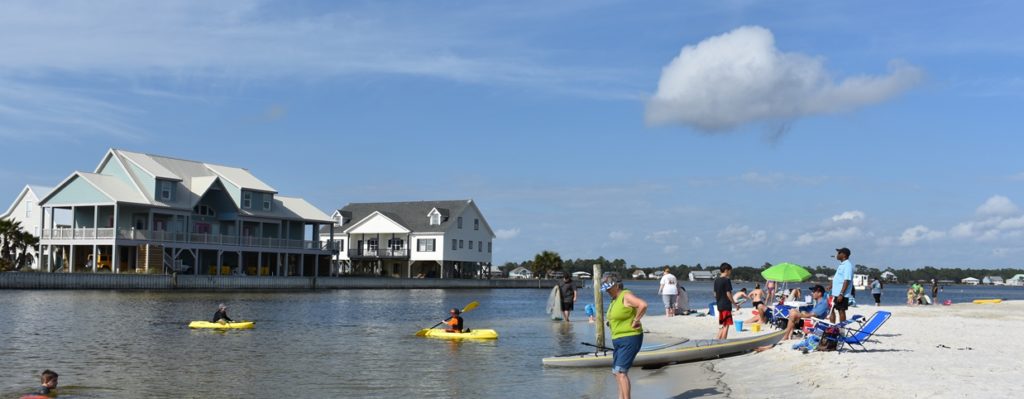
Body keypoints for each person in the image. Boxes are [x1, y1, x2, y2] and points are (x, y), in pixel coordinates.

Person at [602, 272, 647, 399]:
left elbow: (642, 305)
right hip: (618, 339)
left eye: (609, 288)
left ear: (616, 285)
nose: (607, 291)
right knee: (616, 372)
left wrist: (636, 320)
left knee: (621, 372)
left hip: (630, 338)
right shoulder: (614, 299)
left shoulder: (625, 295)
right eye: (606, 289)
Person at [714, 263, 738, 340]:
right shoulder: (727, 280)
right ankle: (723, 343)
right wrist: (735, 304)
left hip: (719, 306)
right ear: (726, 270)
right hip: (726, 305)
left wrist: (719, 300)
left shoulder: (716, 280)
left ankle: (717, 341)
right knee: (726, 325)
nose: (730, 273)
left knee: (723, 325)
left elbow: (714, 294)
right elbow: (728, 294)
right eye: (730, 271)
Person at [830, 247, 854, 323]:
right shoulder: (842, 265)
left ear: (844, 255)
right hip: (836, 293)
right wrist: (831, 286)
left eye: (839, 253)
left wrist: (841, 293)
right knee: (832, 309)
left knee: (841, 311)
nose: (837, 254)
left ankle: (842, 329)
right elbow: (838, 278)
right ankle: (832, 327)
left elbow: (846, 280)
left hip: (842, 294)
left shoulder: (847, 265)